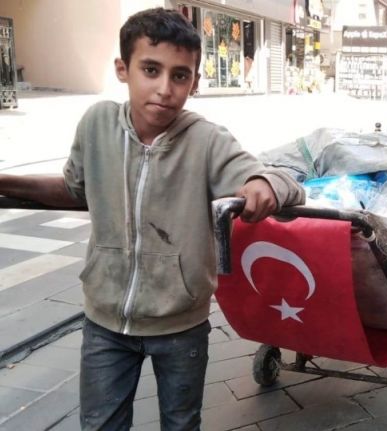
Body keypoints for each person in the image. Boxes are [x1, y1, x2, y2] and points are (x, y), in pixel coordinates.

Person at [0, 8, 305, 430]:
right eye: (150, 70)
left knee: (181, 424)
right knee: (101, 424)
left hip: (181, 326)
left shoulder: (206, 140)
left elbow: (277, 179)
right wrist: (7, 181)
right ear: (122, 69)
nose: (164, 88)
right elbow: (74, 188)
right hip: (105, 322)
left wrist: (264, 185)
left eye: (179, 76)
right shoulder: (97, 124)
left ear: (194, 83)